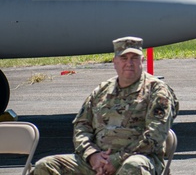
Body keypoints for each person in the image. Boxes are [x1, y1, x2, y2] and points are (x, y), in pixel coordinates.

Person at [32, 36, 178, 175]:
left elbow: (155, 136)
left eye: (134, 58)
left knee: (133, 167)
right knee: (45, 166)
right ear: (115, 62)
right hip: (96, 162)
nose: (129, 63)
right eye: (124, 58)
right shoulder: (102, 90)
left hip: (139, 158)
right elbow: (81, 126)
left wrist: (117, 160)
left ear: (142, 60)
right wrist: (92, 155)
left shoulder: (158, 91)